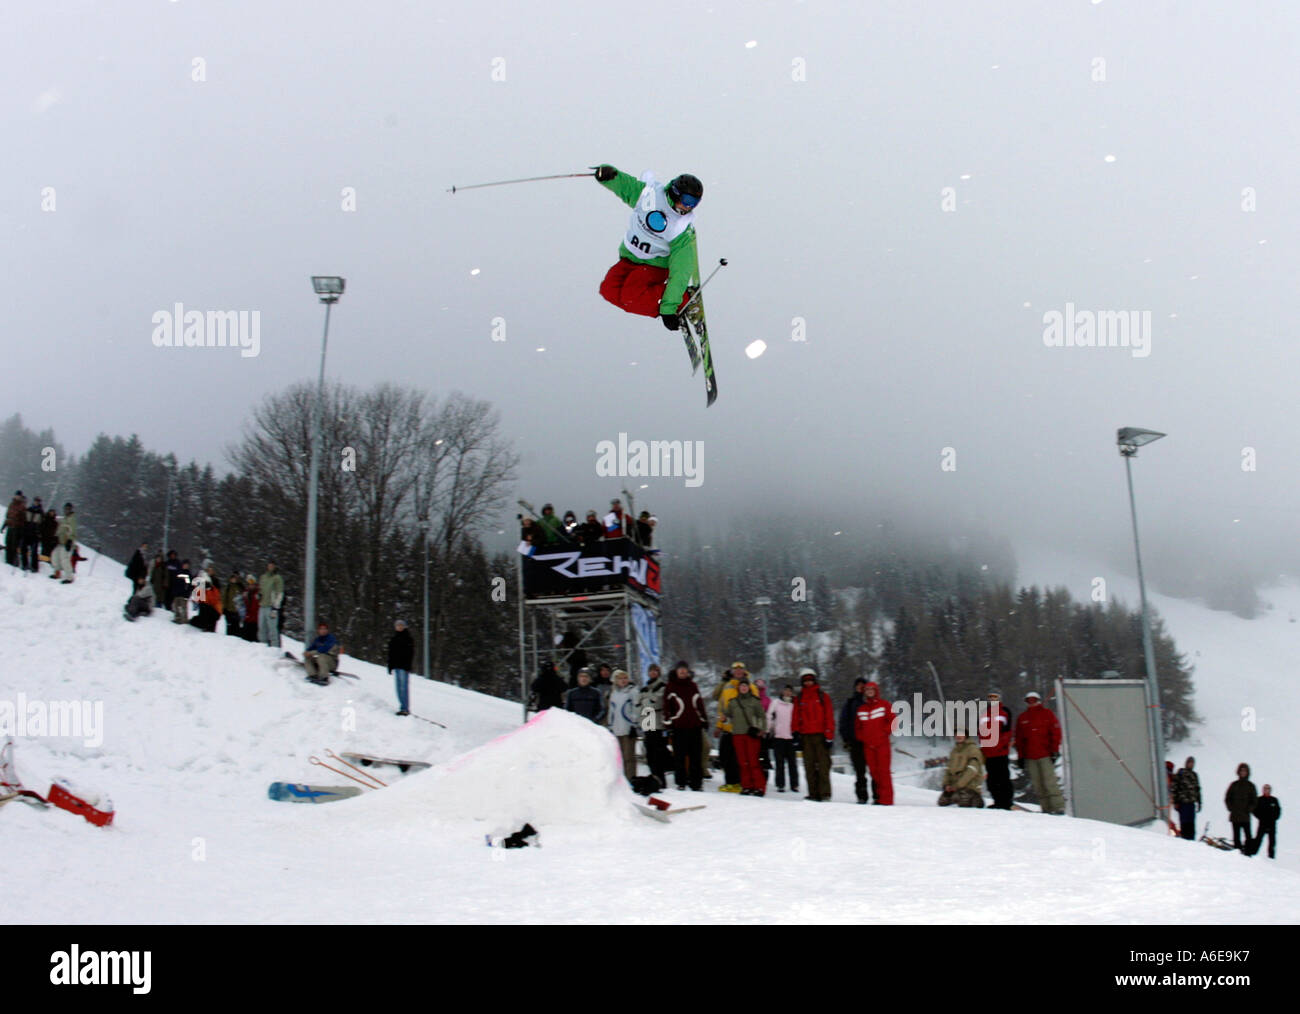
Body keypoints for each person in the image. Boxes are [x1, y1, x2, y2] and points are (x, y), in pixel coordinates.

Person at [593, 164, 703, 332]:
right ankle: (666, 299)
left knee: (631, 297)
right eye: (687, 201)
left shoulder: (681, 228)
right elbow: (627, 187)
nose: (689, 208)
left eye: (694, 203)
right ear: (675, 194)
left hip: (654, 266)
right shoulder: (650, 197)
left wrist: (668, 309)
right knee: (609, 290)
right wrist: (610, 176)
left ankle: (683, 299)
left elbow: (681, 270)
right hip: (629, 258)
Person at [1014, 691, 1064, 814]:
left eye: (1034, 700)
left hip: (1045, 754)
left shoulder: (1047, 714)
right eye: (1029, 701)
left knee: (1049, 782)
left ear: (1039, 701)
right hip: (1030, 756)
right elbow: (1019, 739)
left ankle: (1058, 807)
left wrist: (1054, 750)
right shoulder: (1023, 718)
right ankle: (1046, 808)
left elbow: (1055, 733)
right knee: (1038, 784)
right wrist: (1021, 757)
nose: (1032, 703)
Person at [792, 667, 835, 801]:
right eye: (805, 681)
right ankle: (813, 793)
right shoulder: (799, 698)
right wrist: (795, 734)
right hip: (806, 736)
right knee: (809, 766)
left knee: (823, 766)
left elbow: (829, 716)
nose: (808, 683)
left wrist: (829, 735)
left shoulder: (823, 696)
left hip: (820, 735)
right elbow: (795, 716)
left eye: (810, 680)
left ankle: (825, 793)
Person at [664, 662, 707, 791]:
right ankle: (681, 782)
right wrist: (668, 724)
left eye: (685, 670)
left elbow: (699, 703)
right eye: (680, 670)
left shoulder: (693, 685)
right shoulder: (670, 686)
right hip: (678, 726)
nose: (683, 672)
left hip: (694, 725)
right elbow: (667, 707)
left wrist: (704, 719)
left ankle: (696, 782)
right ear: (676, 671)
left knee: (696, 755)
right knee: (679, 756)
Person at [724, 678, 768, 796]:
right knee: (743, 762)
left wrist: (762, 730)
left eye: (745, 686)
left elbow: (762, 716)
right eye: (741, 686)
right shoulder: (733, 702)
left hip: (751, 735)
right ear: (738, 688)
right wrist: (723, 718)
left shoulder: (754, 701)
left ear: (749, 688)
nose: (743, 688)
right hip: (737, 734)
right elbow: (727, 715)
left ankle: (759, 787)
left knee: (753, 762)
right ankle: (747, 786)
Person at [854, 681, 895, 805]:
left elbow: (894, 721)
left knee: (884, 772)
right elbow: (858, 728)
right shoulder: (861, 709)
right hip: (868, 746)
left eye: (872, 689)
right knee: (874, 773)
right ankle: (879, 798)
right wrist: (864, 738)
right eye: (867, 690)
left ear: (876, 691)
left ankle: (887, 800)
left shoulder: (885, 705)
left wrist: (884, 733)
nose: (870, 691)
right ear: (864, 692)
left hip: (882, 744)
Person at [713, 662, 749, 792]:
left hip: (742, 727)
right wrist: (719, 725)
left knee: (739, 757)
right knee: (725, 756)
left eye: (740, 669)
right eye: (735, 670)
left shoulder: (749, 685)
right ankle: (730, 782)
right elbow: (720, 706)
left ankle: (740, 782)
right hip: (727, 727)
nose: (738, 671)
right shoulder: (727, 686)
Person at [637, 664, 672, 787]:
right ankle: (654, 779)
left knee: (658, 754)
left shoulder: (662, 686)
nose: (652, 673)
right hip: (648, 722)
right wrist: (647, 700)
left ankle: (661, 780)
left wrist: (645, 700)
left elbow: (655, 703)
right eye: (650, 671)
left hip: (658, 723)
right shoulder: (646, 687)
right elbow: (638, 704)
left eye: (655, 671)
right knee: (650, 754)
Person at [978, 690, 1014, 809]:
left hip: (1001, 752)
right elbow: (981, 732)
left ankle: (1006, 802)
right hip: (989, 753)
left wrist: (1000, 745)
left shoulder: (1004, 712)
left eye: (995, 698)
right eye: (991, 698)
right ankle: (997, 800)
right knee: (992, 779)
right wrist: (983, 746)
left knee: (1003, 778)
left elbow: (1007, 732)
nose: (993, 700)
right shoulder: (984, 714)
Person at [840, 677, 871, 804]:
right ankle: (862, 795)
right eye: (858, 685)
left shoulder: (871, 702)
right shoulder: (850, 703)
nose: (860, 687)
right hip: (855, 741)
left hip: (870, 741)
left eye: (863, 685)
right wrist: (846, 739)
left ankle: (877, 795)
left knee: (875, 771)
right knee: (860, 771)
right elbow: (844, 722)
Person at [938, 732, 986, 807]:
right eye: (957, 734)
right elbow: (948, 770)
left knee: (964, 804)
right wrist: (946, 784)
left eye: (961, 734)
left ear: (966, 736)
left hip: (970, 786)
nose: (958, 736)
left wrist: (958, 785)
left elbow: (972, 770)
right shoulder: (954, 751)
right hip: (955, 787)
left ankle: (976, 798)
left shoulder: (973, 750)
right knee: (942, 802)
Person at [607, 669, 639, 782]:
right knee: (619, 757)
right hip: (616, 729)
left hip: (628, 728)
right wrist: (610, 726)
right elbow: (611, 711)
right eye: (621, 678)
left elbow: (636, 708)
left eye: (625, 678)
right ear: (616, 680)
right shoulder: (614, 693)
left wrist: (634, 724)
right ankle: (622, 780)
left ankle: (631, 779)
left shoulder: (632, 691)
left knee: (629, 757)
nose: (623, 680)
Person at [766, 684, 798, 793]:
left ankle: (794, 785)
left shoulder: (795, 704)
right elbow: (769, 716)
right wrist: (768, 729)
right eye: (785, 691)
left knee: (792, 763)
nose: (787, 693)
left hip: (791, 737)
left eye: (790, 691)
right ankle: (780, 784)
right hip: (778, 736)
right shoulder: (776, 703)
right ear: (782, 692)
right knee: (779, 763)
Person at [1225, 763, 1257, 850]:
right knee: (1236, 837)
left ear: (1247, 772)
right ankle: (1237, 854)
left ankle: (1248, 853)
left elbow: (1254, 801)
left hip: (1245, 816)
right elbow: (1227, 798)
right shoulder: (1234, 785)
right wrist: (1231, 808)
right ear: (1238, 772)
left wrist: (1248, 809)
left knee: (1248, 836)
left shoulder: (1251, 786)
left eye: (1245, 771)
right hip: (1235, 816)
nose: (1243, 772)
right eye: (1241, 771)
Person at [387, 619, 415, 715]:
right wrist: (390, 666)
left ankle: (405, 708)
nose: (399, 627)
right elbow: (391, 654)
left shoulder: (408, 638)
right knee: (398, 688)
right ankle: (402, 707)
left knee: (404, 688)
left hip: (404, 666)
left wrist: (408, 666)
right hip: (397, 666)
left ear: (404, 627)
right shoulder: (394, 639)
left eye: (401, 625)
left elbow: (411, 653)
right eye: (397, 625)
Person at [1172, 757, 1202, 841]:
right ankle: (1184, 839)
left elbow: (1197, 789)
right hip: (1183, 803)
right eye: (1189, 762)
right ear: (1186, 763)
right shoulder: (1181, 773)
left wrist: (1199, 802)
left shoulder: (1194, 775)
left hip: (1191, 803)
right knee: (1184, 823)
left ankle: (1191, 839)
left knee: (1191, 824)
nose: (1191, 764)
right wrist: (1175, 801)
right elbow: (1174, 787)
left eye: (1192, 763)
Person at [189, 565, 222, 632]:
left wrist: (209, 589)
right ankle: (202, 624)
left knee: (207, 609)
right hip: (206, 607)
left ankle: (208, 627)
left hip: (214, 609)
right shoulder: (202, 586)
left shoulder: (214, 586)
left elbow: (214, 599)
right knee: (204, 608)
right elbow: (197, 597)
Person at [258, 562, 284, 648]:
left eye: (272, 566)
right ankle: (263, 647)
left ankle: (274, 648)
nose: (270, 567)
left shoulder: (277, 578)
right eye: (269, 566)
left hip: (271, 606)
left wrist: (276, 607)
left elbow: (280, 593)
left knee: (272, 629)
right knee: (262, 628)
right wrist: (259, 595)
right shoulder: (263, 577)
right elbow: (261, 590)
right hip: (262, 605)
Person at [49, 504, 77, 583]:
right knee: (55, 556)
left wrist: (70, 540)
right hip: (60, 541)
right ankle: (57, 572)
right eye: (65, 509)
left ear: (71, 509)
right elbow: (60, 529)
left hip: (67, 542)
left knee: (64, 559)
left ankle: (69, 577)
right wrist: (55, 537)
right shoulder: (64, 518)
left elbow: (73, 531)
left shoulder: (72, 519)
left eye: (68, 509)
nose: (66, 510)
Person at [1252, 785, 1281, 860]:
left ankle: (1271, 857)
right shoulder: (1259, 799)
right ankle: (1253, 853)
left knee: (1272, 841)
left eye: (1268, 789)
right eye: (1265, 789)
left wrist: (1274, 818)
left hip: (1272, 824)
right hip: (1262, 823)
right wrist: (1261, 817)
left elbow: (1278, 811)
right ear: (1263, 790)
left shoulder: (1274, 800)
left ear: (1270, 790)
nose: (1267, 790)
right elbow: (1254, 810)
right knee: (1258, 839)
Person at [21, 496, 44, 572]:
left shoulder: (41, 512)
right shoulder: (29, 509)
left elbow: (42, 524)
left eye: (38, 501)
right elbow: (24, 520)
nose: (36, 502)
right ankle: (25, 565)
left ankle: (34, 567)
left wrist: (39, 533)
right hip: (27, 532)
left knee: (34, 551)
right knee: (23, 549)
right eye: (35, 501)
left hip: (35, 534)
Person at [2, 492, 25, 568]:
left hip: (17, 528)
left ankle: (14, 562)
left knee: (14, 546)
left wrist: (21, 530)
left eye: (19, 496)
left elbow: (23, 520)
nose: (17, 497)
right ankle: (8, 561)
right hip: (10, 526)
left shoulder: (22, 506)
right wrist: (3, 526)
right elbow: (8, 517)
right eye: (16, 496)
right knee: (8, 544)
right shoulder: (11, 505)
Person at [221, 569, 244, 636]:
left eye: (236, 577)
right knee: (229, 627)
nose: (234, 579)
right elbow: (224, 598)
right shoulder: (228, 587)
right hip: (229, 610)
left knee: (236, 627)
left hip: (237, 611)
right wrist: (224, 608)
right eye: (233, 577)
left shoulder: (240, 587)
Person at [170, 559, 193, 623]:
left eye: (187, 565)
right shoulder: (178, 572)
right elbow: (174, 582)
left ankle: (184, 619)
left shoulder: (189, 574)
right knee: (176, 606)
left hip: (184, 594)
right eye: (185, 565)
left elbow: (189, 585)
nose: (186, 566)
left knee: (184, 607)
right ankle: (177, 618)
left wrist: (188, 592)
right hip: (177, 592)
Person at [240, 576, 260, 641]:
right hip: (247, 618)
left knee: (254, 638)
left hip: (256, 619)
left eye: (252, 583)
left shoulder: (258, 593)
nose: (250, 585)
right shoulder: (246, 592)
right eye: (249, 584)